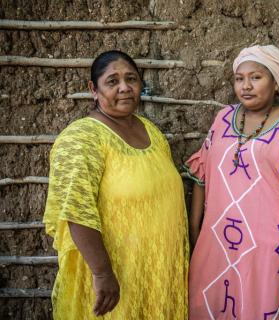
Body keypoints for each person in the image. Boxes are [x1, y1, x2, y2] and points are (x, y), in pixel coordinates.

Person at [185, 44, 279, 319]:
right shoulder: (223, 119)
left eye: (256, 77)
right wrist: (195, 232)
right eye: (240, 78)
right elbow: (201, 175)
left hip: (272, 250)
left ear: (276, 83)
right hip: (217, 245)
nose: (246, 86)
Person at [43, 50, 188, 319]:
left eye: (131, 79)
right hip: (113, 278)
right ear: (93, 90)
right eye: (112, 81)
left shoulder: (151, 131)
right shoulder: (82, 138)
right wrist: (102, 273)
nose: (124, 87)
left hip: (155, 274)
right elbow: (75, 211)